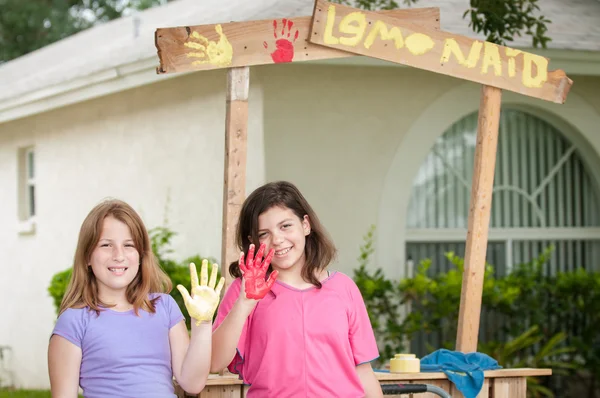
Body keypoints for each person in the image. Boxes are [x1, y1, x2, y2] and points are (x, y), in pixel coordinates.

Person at [211, 181, 384, 397]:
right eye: (263, 233)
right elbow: (214, 362)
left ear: (305, 225)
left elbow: (363, 371)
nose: (277, 240)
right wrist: (244, 304)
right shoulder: (243, 291)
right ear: (252, 241)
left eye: (285, 226)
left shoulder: (344, 288)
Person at [48, 199, 224, 398]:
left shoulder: (164, 307)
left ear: (141, 255)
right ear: (87, 256)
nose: (119, 255)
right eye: (106, 245)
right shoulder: (73, 322)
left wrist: (202, 324)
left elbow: (192, 383)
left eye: (129, 245)